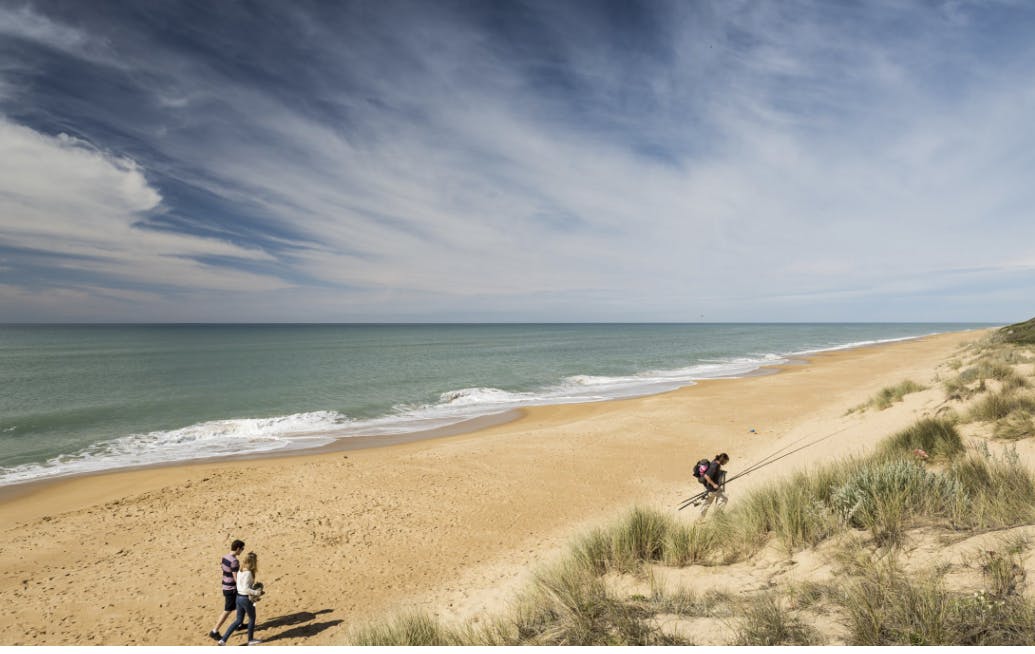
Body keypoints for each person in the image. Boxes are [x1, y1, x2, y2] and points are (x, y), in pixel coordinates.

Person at [219, 551, 263, 646]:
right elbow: (246, 588)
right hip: (245, 599)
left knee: (238, 621)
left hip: (238, 598)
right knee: (252, 618)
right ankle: (250, 640)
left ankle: (223, 640)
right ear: (253, 562)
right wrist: (257, 593)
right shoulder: (248, 573)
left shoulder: (240, 570)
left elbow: (241, 586)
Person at [209, 540, 246, 641]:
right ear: (238, 548)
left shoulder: (225, 557)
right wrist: (243, 586)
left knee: (240, 605)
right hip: (231, 589)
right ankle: (214, 631)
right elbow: (235, 578)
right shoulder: (234, 561)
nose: (242, 551)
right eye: (242, 549)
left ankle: (239, 624)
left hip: (225, 586)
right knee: (227, 611)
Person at [699, 453, 729, 518]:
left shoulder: (715, 463)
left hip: (713, 488)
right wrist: (714, 484)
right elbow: (706, 476)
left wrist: (721, 472)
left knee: (722, 498)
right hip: (711, 489)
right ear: (723, 460)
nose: (726, 463)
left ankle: (716, 516)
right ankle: (716, 516)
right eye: (726, 462)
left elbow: (714, 473)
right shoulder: (715, 465)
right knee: (707, 504)